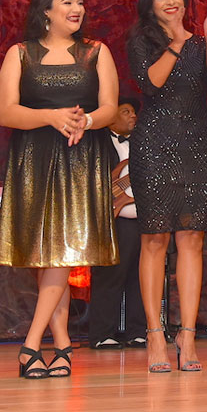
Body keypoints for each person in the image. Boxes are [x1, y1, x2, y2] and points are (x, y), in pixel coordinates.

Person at [0, 0, 119, 379]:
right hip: (33, 158)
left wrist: (88, 120)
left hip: (81, 158)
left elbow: (110, 109)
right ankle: (63, 344)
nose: (76, 9)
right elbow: (6, 112)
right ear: (45, 11)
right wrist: (50, 116)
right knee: (49, 256)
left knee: (63, 253)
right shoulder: (20, 53)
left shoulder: (97, 52)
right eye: (67, 2)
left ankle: (31, 343)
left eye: (80, 1)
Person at [127, 0, 207, 372]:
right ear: (149, 5)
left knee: (191, 239)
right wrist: (176, 40)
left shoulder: (199, 41)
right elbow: (150, 84)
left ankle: (187, 338)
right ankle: (156, 336)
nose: (170, 1)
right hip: (154, 146)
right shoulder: (142, 41)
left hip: (197, 148)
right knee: (154, 241)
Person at [88, 97, 148, 350]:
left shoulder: (145, 144)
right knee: (110, 275)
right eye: (126, 111)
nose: (133, 116)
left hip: (143, 221)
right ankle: (103, 333)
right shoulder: (96, 144)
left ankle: (139, 331)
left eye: (134, 112)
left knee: (141, 276)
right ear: (110, 117)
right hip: (112, 222)